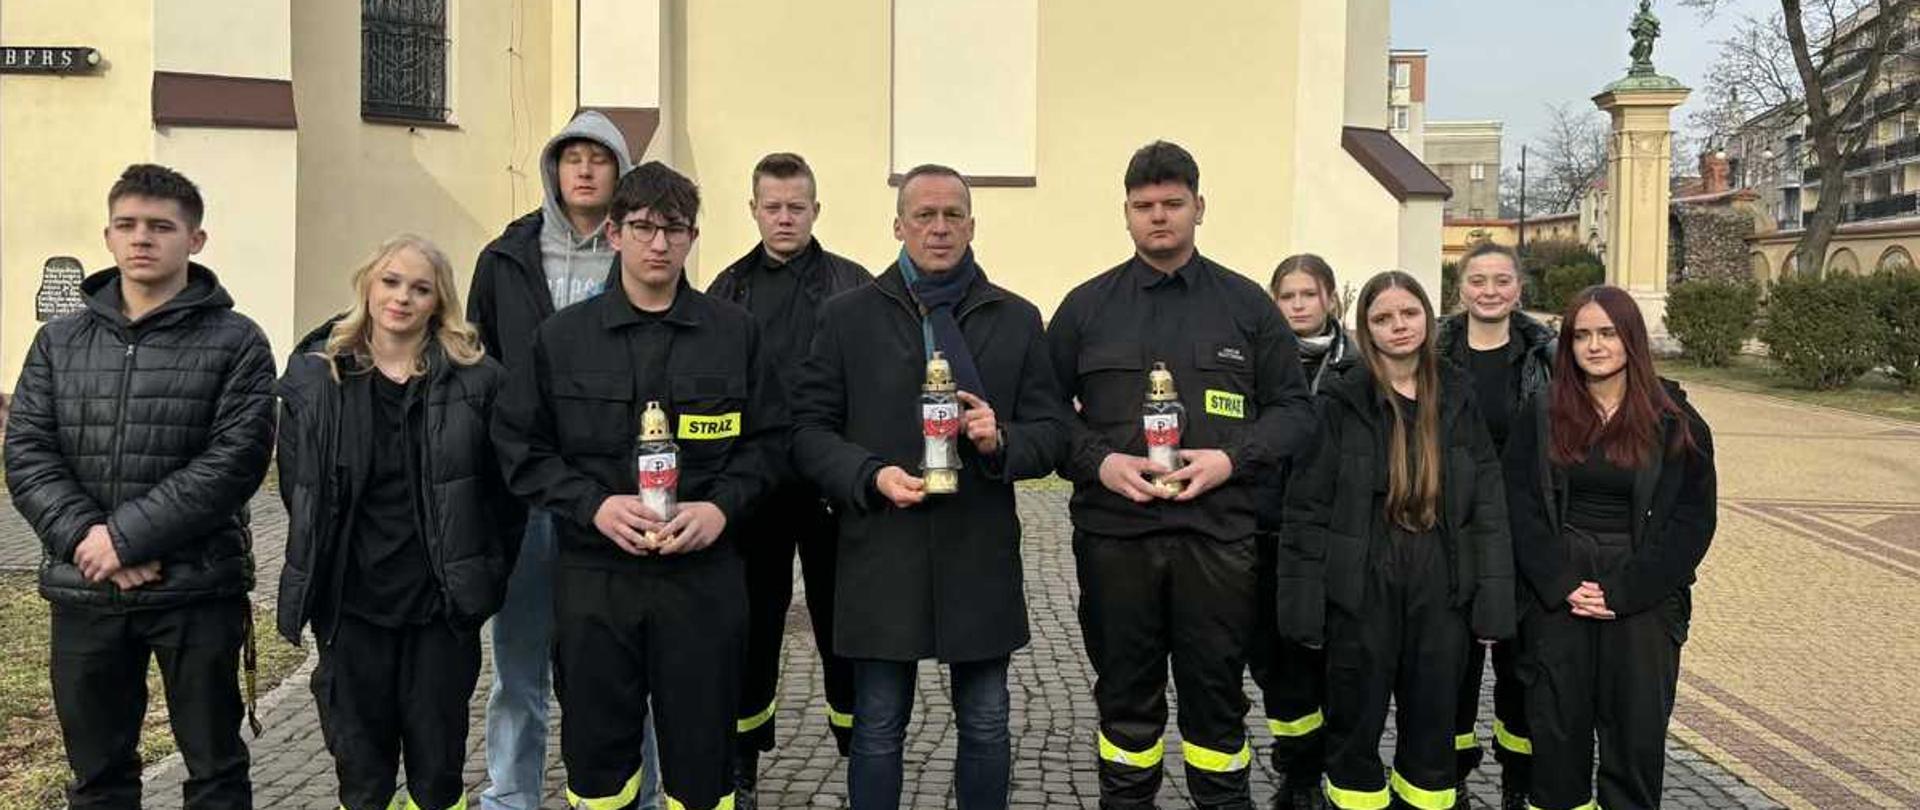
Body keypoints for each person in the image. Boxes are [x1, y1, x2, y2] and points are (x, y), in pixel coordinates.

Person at [493, 161, 786, 810]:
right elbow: (520, 450)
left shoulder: (735, 335)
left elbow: (771, 444)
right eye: (644, 227)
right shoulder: (560, 340)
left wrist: (719, 509)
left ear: (692, 237)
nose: (659, 243)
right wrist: (592, 506)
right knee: (599, 773)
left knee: (702, 769)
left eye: (674, 229)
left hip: (703, 581)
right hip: (596, 580)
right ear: (614, 236)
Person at [1047, 141, 1315, 810]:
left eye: (1172, 204)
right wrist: (1099, 462)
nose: (1158, 217)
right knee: (1125, 699)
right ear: (1126, 213)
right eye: (1144, 206)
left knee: (1217, 697)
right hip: (1116, 539)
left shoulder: (1248, 306)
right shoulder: (1085, 309)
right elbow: (1042, 413)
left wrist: (1233, 458)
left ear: (1200, 206)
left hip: (1217, 539)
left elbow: (1295, 413)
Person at [790, 163, 1066, 810]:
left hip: (978, 549)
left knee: (987, 723)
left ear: (972, 225)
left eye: (952, 216)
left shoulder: (1017, 319)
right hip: (882, 550)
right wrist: (868, 475)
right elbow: (807, 432)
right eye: (924, 215)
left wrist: (1004, 440)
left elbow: (1052, 431)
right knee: (879, 729)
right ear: (898, 225)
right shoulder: (846, 319)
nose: (939, 228)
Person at [5, 163, 277, 809]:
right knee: (97, 779)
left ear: (196, 240)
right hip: (87, 592)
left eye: (161, 226)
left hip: (196, 589)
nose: (142, 239)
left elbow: (234, 462)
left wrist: (126, 538)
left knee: (214, 771)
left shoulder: (236, 342)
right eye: (127, 225)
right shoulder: (59, 341)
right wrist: (88, 540)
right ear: (107, 236)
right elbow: (28, 452)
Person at [275, 235, 523, 810]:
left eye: (420, 288)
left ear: (439, 302)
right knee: (362, 774)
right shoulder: (318, 378)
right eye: (391, 282)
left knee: (437, 775)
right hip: (352, 607)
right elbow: (299, 488)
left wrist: (481, 574)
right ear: (367, 284)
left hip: (438, 610)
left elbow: (506, 499)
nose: (402, 298)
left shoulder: (478, 381)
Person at [466, 110, 660, 810]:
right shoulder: (506, 255)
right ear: (553, 170)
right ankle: (511, 793)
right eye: (571, 157)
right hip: (524, 490)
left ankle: (639, 789)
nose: (583, 170)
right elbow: (477, 366)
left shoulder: (640, 250)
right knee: (518, 658)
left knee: (618, 661)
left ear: (619, 174)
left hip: (613, 492)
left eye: (599, 159)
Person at [1278, 271, 1514, 810]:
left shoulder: (1458, 395)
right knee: (1353, 725)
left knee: (1433, 725)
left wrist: (1493, 605)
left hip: (1442, 579)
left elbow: (1489, 507)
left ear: (1427, 318)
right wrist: (1302, 609)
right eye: (1382, 318)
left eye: (1408, 313)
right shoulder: (1340, 401)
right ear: (1366, 328)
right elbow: (1307, 510)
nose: (1398, 326)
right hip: (1362, 582)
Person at [1506, 285, 1715, 810]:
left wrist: (1624, 591)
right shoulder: (1541, 413)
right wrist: (1558, 583)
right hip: (1559, 594)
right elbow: (1520, 506)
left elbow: (1693, 523)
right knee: (1556, 739)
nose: (1594, 346)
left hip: (1641, 597)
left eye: (1607, 333)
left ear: (1631, 340)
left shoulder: (1677, 422)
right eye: (1581, 335)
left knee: (1635, 741)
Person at [706, 152, 869, 805]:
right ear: (753, 210)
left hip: (832, 490)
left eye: (795, 207)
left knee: (845, 630)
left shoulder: (854, 285)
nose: (783, 217)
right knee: (750, 631)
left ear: (815, 210)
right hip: (754, 492)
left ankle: (861, 756)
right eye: (771, 207)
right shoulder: (727, 288)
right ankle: (741, 765)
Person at [1435, 241, 1554, 810]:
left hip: (1524, 532)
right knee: (1454, 666)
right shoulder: (1433, 352)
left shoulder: (1546, 358)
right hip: (1453, 532)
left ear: (1518, 288)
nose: (1489, 291)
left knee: (1522, 668)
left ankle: (1520, 781)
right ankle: (1451, 776)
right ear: (1460, 288)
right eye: (1477, 280)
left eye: (1501, 280)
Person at [1250, 253, 1360, 809]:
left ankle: (1340, 766)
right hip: (1270, 534)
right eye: (1286, 297)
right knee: (1279, 664)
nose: (1297, 306)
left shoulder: (1358, 366)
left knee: (1336, 660)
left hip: (1336, 538)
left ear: (1331, 300)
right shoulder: (1258, 362)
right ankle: (1297, 774)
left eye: (1307, 295)